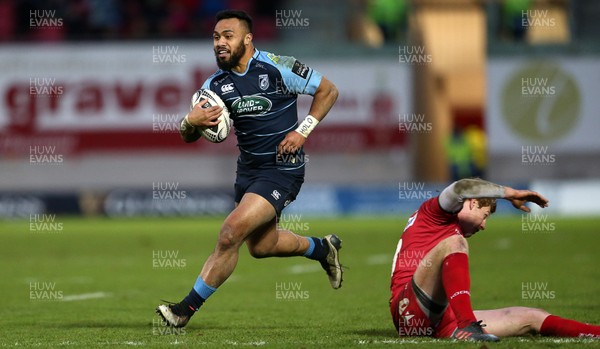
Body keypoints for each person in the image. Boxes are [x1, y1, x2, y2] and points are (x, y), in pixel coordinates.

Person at [156, 10, 341, 328]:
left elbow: (329, 91)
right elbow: (188, 135)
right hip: (248, 172)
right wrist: (190, 122)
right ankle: (322, 248)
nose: (220, 43)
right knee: (262, 247)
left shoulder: (279, 66)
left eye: (227, 35)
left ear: (248, 39)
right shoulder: (215, 85)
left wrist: (302, 131)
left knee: (230, 233)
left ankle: (184, 309)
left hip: (283, 169)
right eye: (215, 37)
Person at [390, 177, 600, 341]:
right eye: (486, 214)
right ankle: (468, 326)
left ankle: (596, 332)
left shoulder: (448, 227)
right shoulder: (434, 213)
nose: (484, 225)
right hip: (408, 311)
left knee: (531, 316)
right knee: (455, 243)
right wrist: (511, 193)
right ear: (472, 203)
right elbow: (462, 187)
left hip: (438, 318)